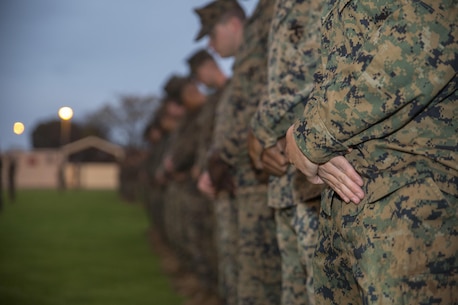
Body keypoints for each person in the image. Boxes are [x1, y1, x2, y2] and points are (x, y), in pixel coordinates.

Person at [285, 0, 458, 304]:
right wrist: (310, 143)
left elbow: (425, 38)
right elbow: (334, 72)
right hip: (348, 207)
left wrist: (307, 139)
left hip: (413, 209)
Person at [194, 1, 282, 304]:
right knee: (247, 278)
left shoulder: (262, 52)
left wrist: (222, 157)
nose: (210, 44)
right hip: (245, 182)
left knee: (261, 283)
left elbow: (258, 110)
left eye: (212, 33)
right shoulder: (247, 60)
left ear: (233, 25)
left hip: (260, 182)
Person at [247, 0, 324, 303]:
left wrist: (261, 129)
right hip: (289, 178)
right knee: (295, 292)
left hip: (316, 174)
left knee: (317, 289)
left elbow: (317, 67)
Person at [186, 48, 237, 305]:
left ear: (207, 67)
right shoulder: (217, 98)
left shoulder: (233, 90)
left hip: (232, 182)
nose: (200, 82)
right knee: (223, 250)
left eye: (198, 75)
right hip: (215, 181)